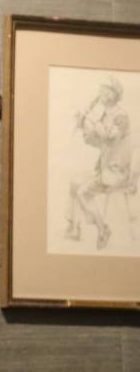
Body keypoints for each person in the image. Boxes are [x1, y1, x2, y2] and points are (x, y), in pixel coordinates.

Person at [65, 76, 133, 250]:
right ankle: (74, 228)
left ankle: (103, 229)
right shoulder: (105, 115)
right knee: (74, 183)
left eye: (106, 90)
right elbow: (97, 142)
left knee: (83, 192)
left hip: (116, 173)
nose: (102, 93)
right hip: (104, 169)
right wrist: (83, 126)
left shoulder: (121, 116)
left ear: (115, 94)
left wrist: (92, 122)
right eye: (102, 89)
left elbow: (109, 136)